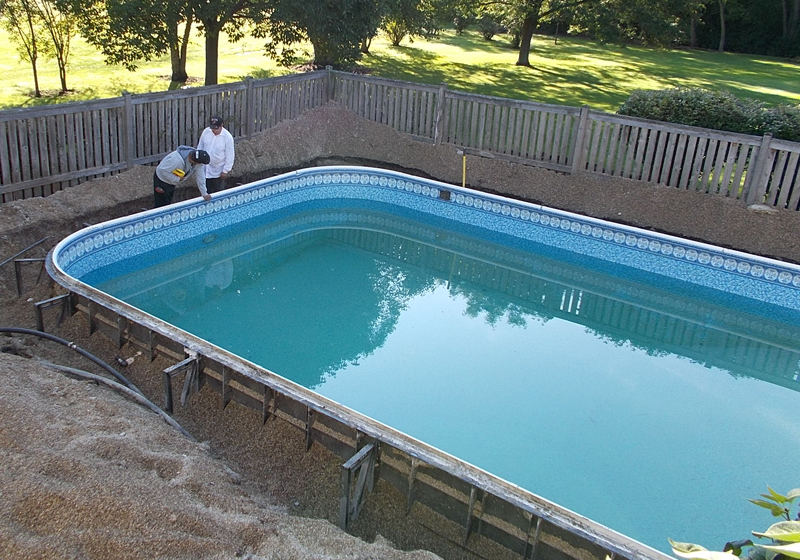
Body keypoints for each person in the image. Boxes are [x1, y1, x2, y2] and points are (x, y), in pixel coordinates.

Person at [197, 115, 235, 195]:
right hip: (205, 169)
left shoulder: (227, 137)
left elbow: (230, 155)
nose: (214, 130)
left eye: (216, 128)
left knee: (218, 193)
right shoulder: (206, 132)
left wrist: (225, 171)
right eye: (212, 128)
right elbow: (200, 147)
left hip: (218, 171)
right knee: (205, 192)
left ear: (221, 126)